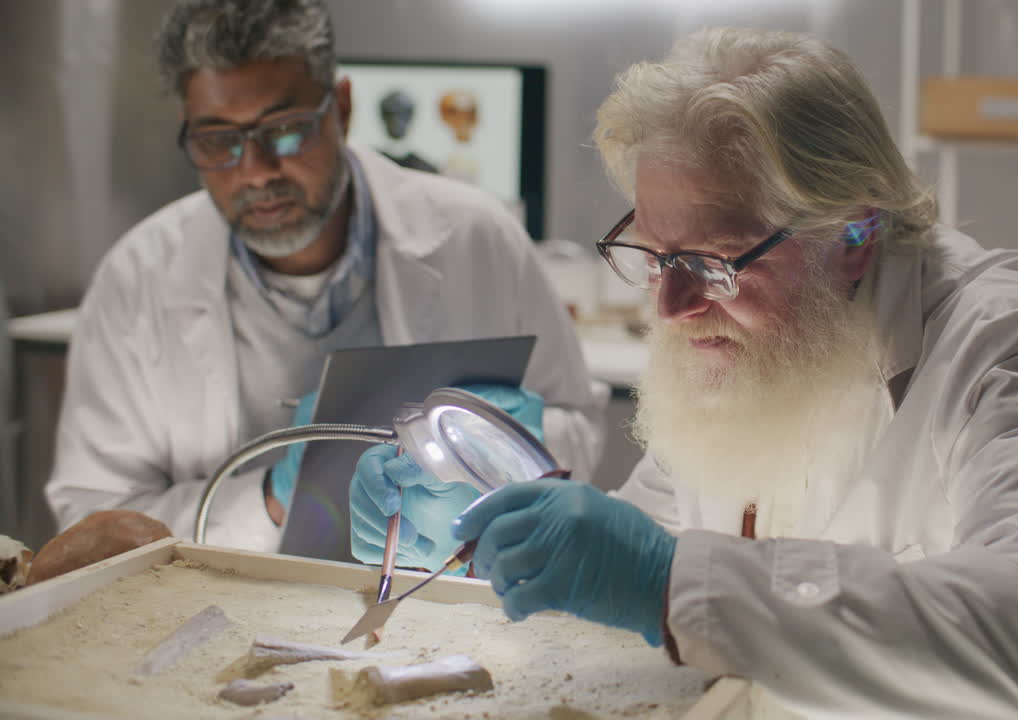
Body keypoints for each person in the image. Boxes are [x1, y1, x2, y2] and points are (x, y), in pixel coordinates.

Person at [356, 27, 1018, 720]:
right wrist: (507, 543)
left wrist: (662, 581)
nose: (672, 305)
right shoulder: (741, 352)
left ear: (855, 235)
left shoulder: (1015, 343)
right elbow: (642, 550)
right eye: (656, 255)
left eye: (713, 263)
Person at [43, 0, 605, 557]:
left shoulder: (475, 237)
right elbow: (94, 523)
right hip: (217, 603)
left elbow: (579, 425)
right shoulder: (136, 278)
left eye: (285, 130)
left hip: (433, 596)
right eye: (217, 140)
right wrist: (273, 497)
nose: (256, 171)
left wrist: (502, 450)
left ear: (342, 107)